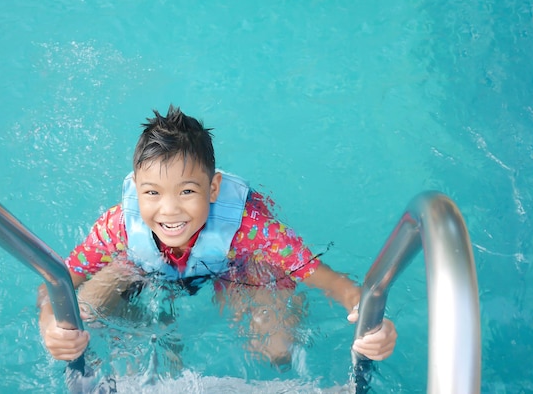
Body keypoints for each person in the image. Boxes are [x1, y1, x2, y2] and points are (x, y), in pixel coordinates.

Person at [37, 105, 397, 369]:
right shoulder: (118, 226)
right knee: (81, 311)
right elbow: (55, 283)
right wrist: (51, 324)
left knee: (277, 350)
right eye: (152, 194)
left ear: (213, 188)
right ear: (136, 189)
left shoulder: (250, 230)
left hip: (234, 266)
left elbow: (329, 280)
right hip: (143, 266)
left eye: (187, 192)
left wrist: (371, 321)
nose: (169, 211)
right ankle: (156, 329)